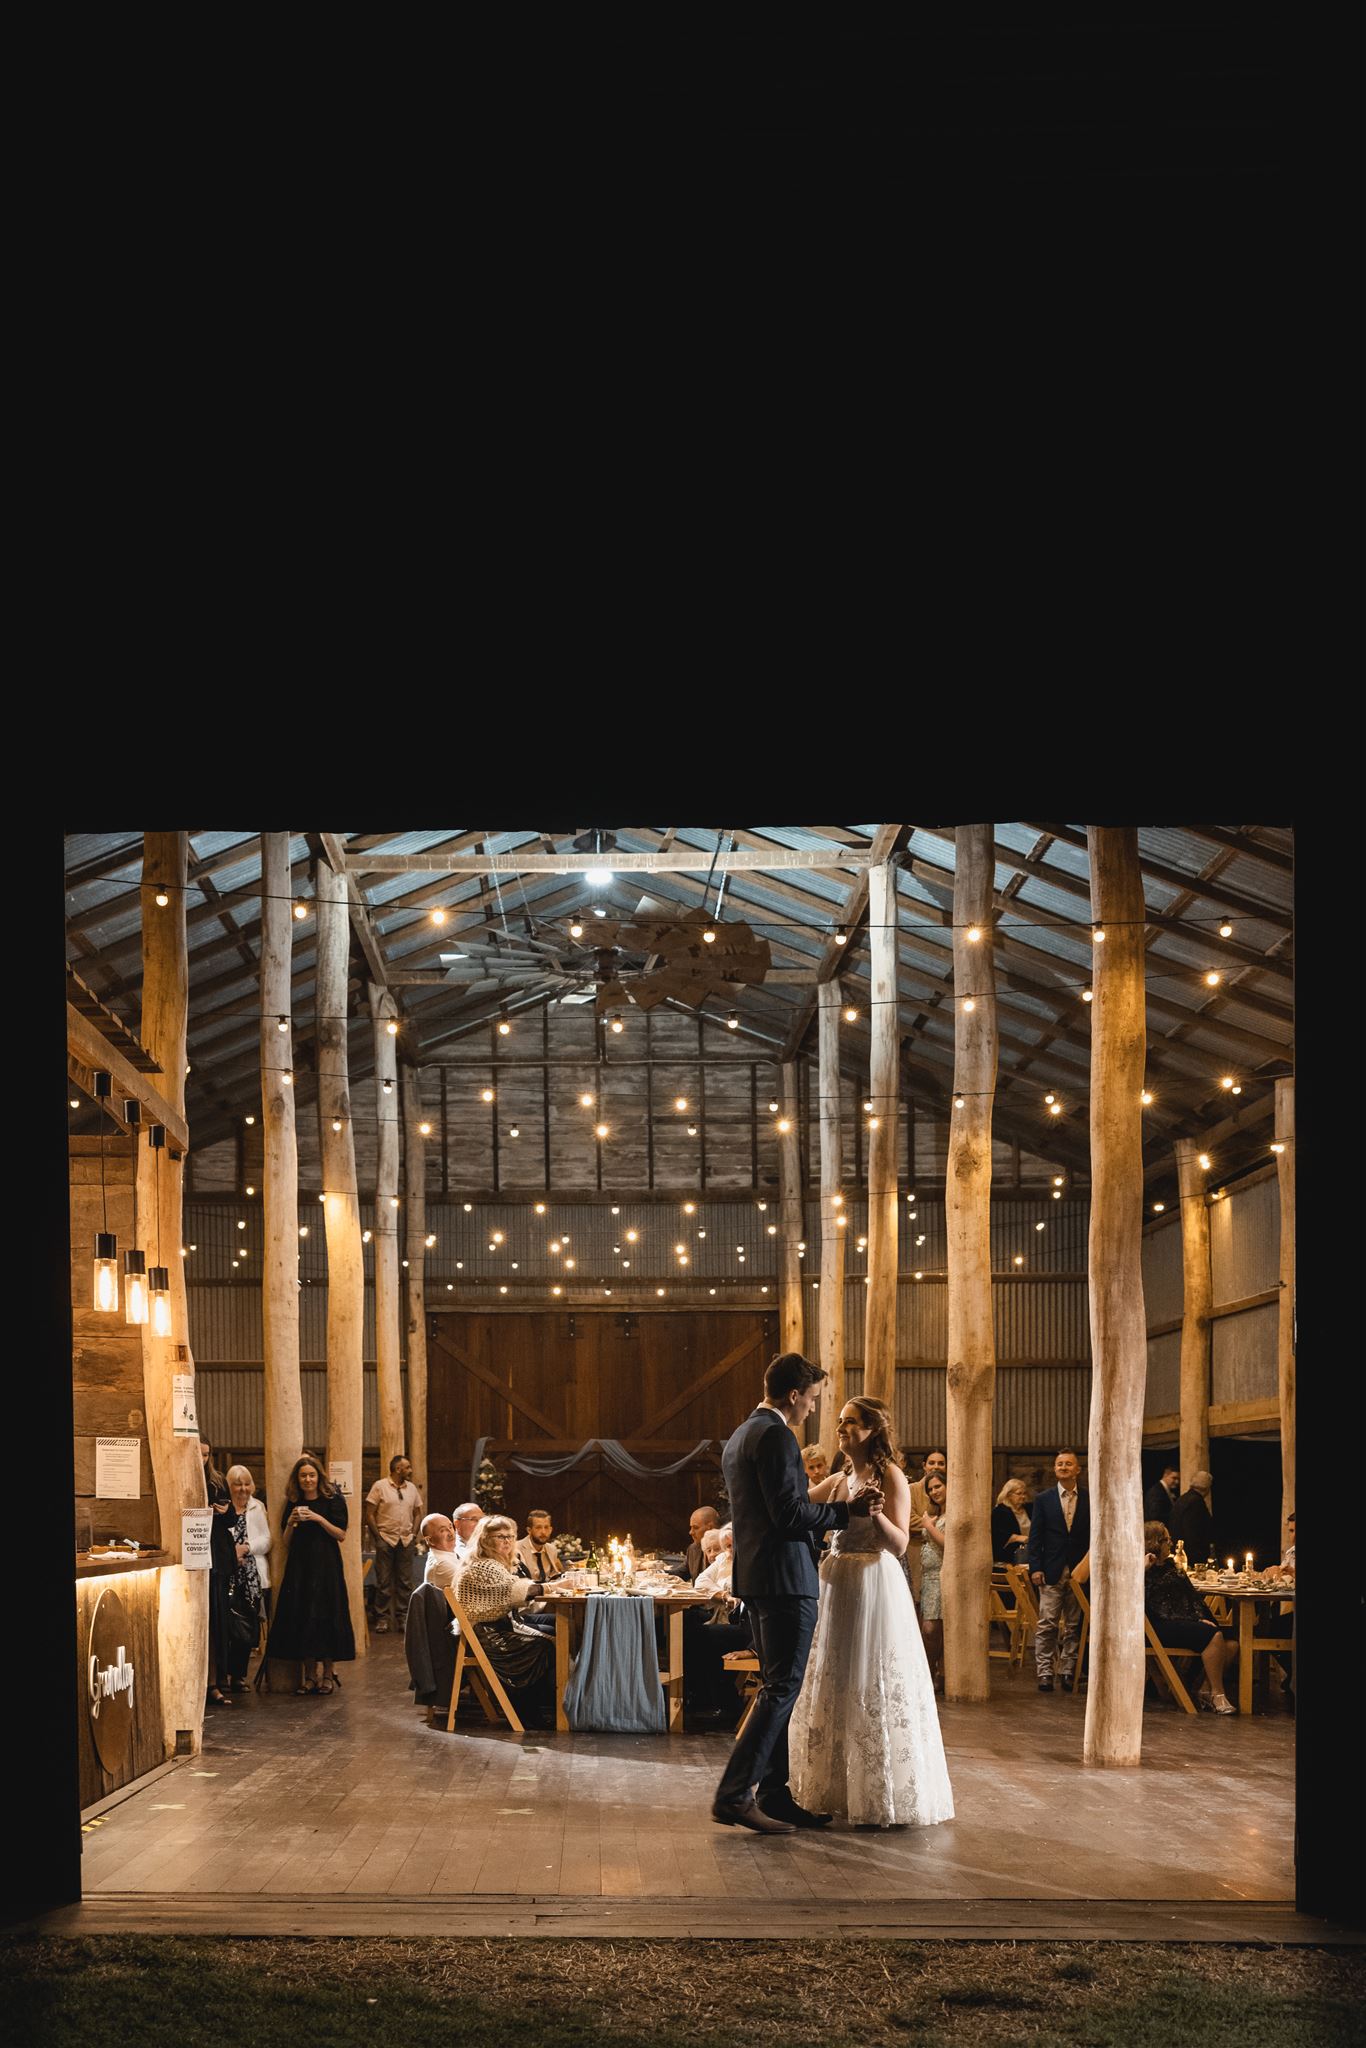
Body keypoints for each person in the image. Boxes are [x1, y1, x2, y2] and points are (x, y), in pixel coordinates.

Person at [711, 1353, 872, 1836]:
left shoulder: (742, 1434)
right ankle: (734, 1795)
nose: (813, 1410)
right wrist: (847, 1512)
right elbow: (788, 1514)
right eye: (814, 1399)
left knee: (775, 1685)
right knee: (782, 1687)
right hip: (784, 1579)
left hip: (757, 1579)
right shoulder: (777, 1435)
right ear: (795, 1394)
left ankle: (775, 1794)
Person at [789, 1397, 954, 1830]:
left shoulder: (891, 1475)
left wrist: (876, 1515)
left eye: (851, 1422)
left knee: (871, 1677)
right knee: (836, 1678)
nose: (841, 1429)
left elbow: (900, 1544)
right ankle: (838, 1789)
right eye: (840, 1422)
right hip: (837, 1579)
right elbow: (799, 1507)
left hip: (873, 1581)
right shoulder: (841, 1477)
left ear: (872, 1430)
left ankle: (879, 1793)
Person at [261, 1453, 356, 1694]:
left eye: (311, 1475)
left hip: (326, 1567)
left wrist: (317, 1518)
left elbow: (341, 1534)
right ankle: (310, 1675)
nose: (308, 1480)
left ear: (318, 1476)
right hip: (301, 1567)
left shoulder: (332, 1498)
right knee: (304, 1616)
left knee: (327, 1615)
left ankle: (327, 1674)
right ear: (297, 1479)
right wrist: (292, 1522)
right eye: (303, 1476)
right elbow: (285, 1541)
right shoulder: (293, 1502)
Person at [455, 1515, 555, 1725]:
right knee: (545, 1645)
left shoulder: (494, 1563)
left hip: (496, 1626)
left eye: (510, 1536)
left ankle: (543, 1706)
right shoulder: (483, 1566)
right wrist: (559, 1586)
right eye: (500, 1537)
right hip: (488, 1636)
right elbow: (520, 1591)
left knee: (554, 1631)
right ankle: (529, 1713)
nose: (508, 1541)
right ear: (485, 1539)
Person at [1143, 1521, 1237, 1712]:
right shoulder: (1143, 1569)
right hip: (1156, 1625)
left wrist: (1200, 1616)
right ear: (1155, 1543)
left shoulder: (1171, 1566)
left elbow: (1191, 1598)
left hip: (1179, 1621)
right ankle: (1218, 1695)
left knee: (1233, 1641)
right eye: (1167, 1540)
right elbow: (1149, 1604)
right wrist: (1142, 1569)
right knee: (1213, 1635)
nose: (1170, 1544)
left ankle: (1205, 1689)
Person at [1027, 1449, 1090, 1694]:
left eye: (1068, 1464)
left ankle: (1067, 1671)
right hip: (1051, 1569)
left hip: (1079, 1571)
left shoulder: (1088, 1498)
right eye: (1059, 1464)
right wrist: (1036, 1567)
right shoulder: (1044, 1499)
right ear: (1055, 1469)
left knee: (1074, 1624)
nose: (1063, 1467)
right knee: (1047, 1624)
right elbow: (1036, 1536)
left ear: (1077, 1470)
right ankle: (1044, 1672)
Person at [364, 1454, 424, 1634]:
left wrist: (413, 1534)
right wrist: (378, 1538)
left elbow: (418, 1512)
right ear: (398, 1469)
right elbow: (369, 1513)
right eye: (408, 1467)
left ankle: (403, 1617)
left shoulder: (411, 1488)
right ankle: (382, 1618)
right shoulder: (380, 1486)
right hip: (386, 1538)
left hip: (405, 1540)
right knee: (383, 1581)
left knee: (405, 1581)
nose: (410, 1470)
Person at [223, 1465, 271, 1689]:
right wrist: (231, 1554)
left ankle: (238, 1675)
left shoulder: (257, 1507)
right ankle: (222, 1674)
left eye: (246, 1484)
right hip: (227, 1574)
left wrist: (247, 1547)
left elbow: (267, 1540)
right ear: (229, 1486)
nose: (243, 1489)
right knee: (227, 1626)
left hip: (251, 1577)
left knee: (245, 1628)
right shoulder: (223, 1508)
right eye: (237, 1484)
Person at [200, 1440, 236, 1708]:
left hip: (217, 1555)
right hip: (194, 1552)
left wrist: (224, 1512)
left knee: (216, 1623)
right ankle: (204, 1683)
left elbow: (232, 1519)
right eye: (198, 1453)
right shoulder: (184, 1476)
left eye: (206, 1453)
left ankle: (215, 1681)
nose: (202, 1458)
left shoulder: (217, 1479)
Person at [906, 1450, 947, 1608]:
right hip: (916, 1550)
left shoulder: (948, 1490)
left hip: (940, 1554)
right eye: (932, 1463)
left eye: (941, 1463)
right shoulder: (912, 1489)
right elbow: (908, 1519)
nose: (936, 1466)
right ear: (924, 1466)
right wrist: (933, 1526)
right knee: (916, 1600)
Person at [1171, 1470, 1216, 1562]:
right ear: (1207, 1488)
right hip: (1191, 1556)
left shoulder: (1182, 1499)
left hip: (1179, 1550)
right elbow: (1193, 1532)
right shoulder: (1196, 1502)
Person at [991, 1479, 1032, 1568]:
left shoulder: (1029, 1509)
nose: (1023, 1496)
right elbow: (998, 1536)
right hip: (1010, 1557)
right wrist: (1017, 1538)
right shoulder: (1000, 1512)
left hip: (1031, 1551)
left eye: (1024, 1493)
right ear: (1009, 1495)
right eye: (1019, 1493)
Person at [515, 1508, 563, 1583]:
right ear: (529, 1530)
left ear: (551, 1530)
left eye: (546, 1527)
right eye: (538, 1527)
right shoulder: (516, 1549)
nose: (543, 1532)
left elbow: (554, 1576)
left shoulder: (551, 1549)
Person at [420, 1514, 460, 1590]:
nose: (451, 1533)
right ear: (430, 1541)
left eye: (450, 1527)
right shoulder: (441, 1564)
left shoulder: (447, 1554)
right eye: (442, 1530)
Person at [683, 1505, 720, 1583]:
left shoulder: (727, 1550)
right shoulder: (693, 1548)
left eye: (695, 1528)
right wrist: (659, 1572)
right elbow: (682, 1572)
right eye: (691, 1527)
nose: (690, 1532)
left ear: (710, 1527)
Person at [1144, 1461, 1180, 1534]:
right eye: (1174, 1478)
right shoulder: (1156, 1491)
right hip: (1156, 1535)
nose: (1177, 1482)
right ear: (1165, 1475)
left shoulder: (1165, 1490)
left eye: (1178, 1479)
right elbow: (1155, 1516)